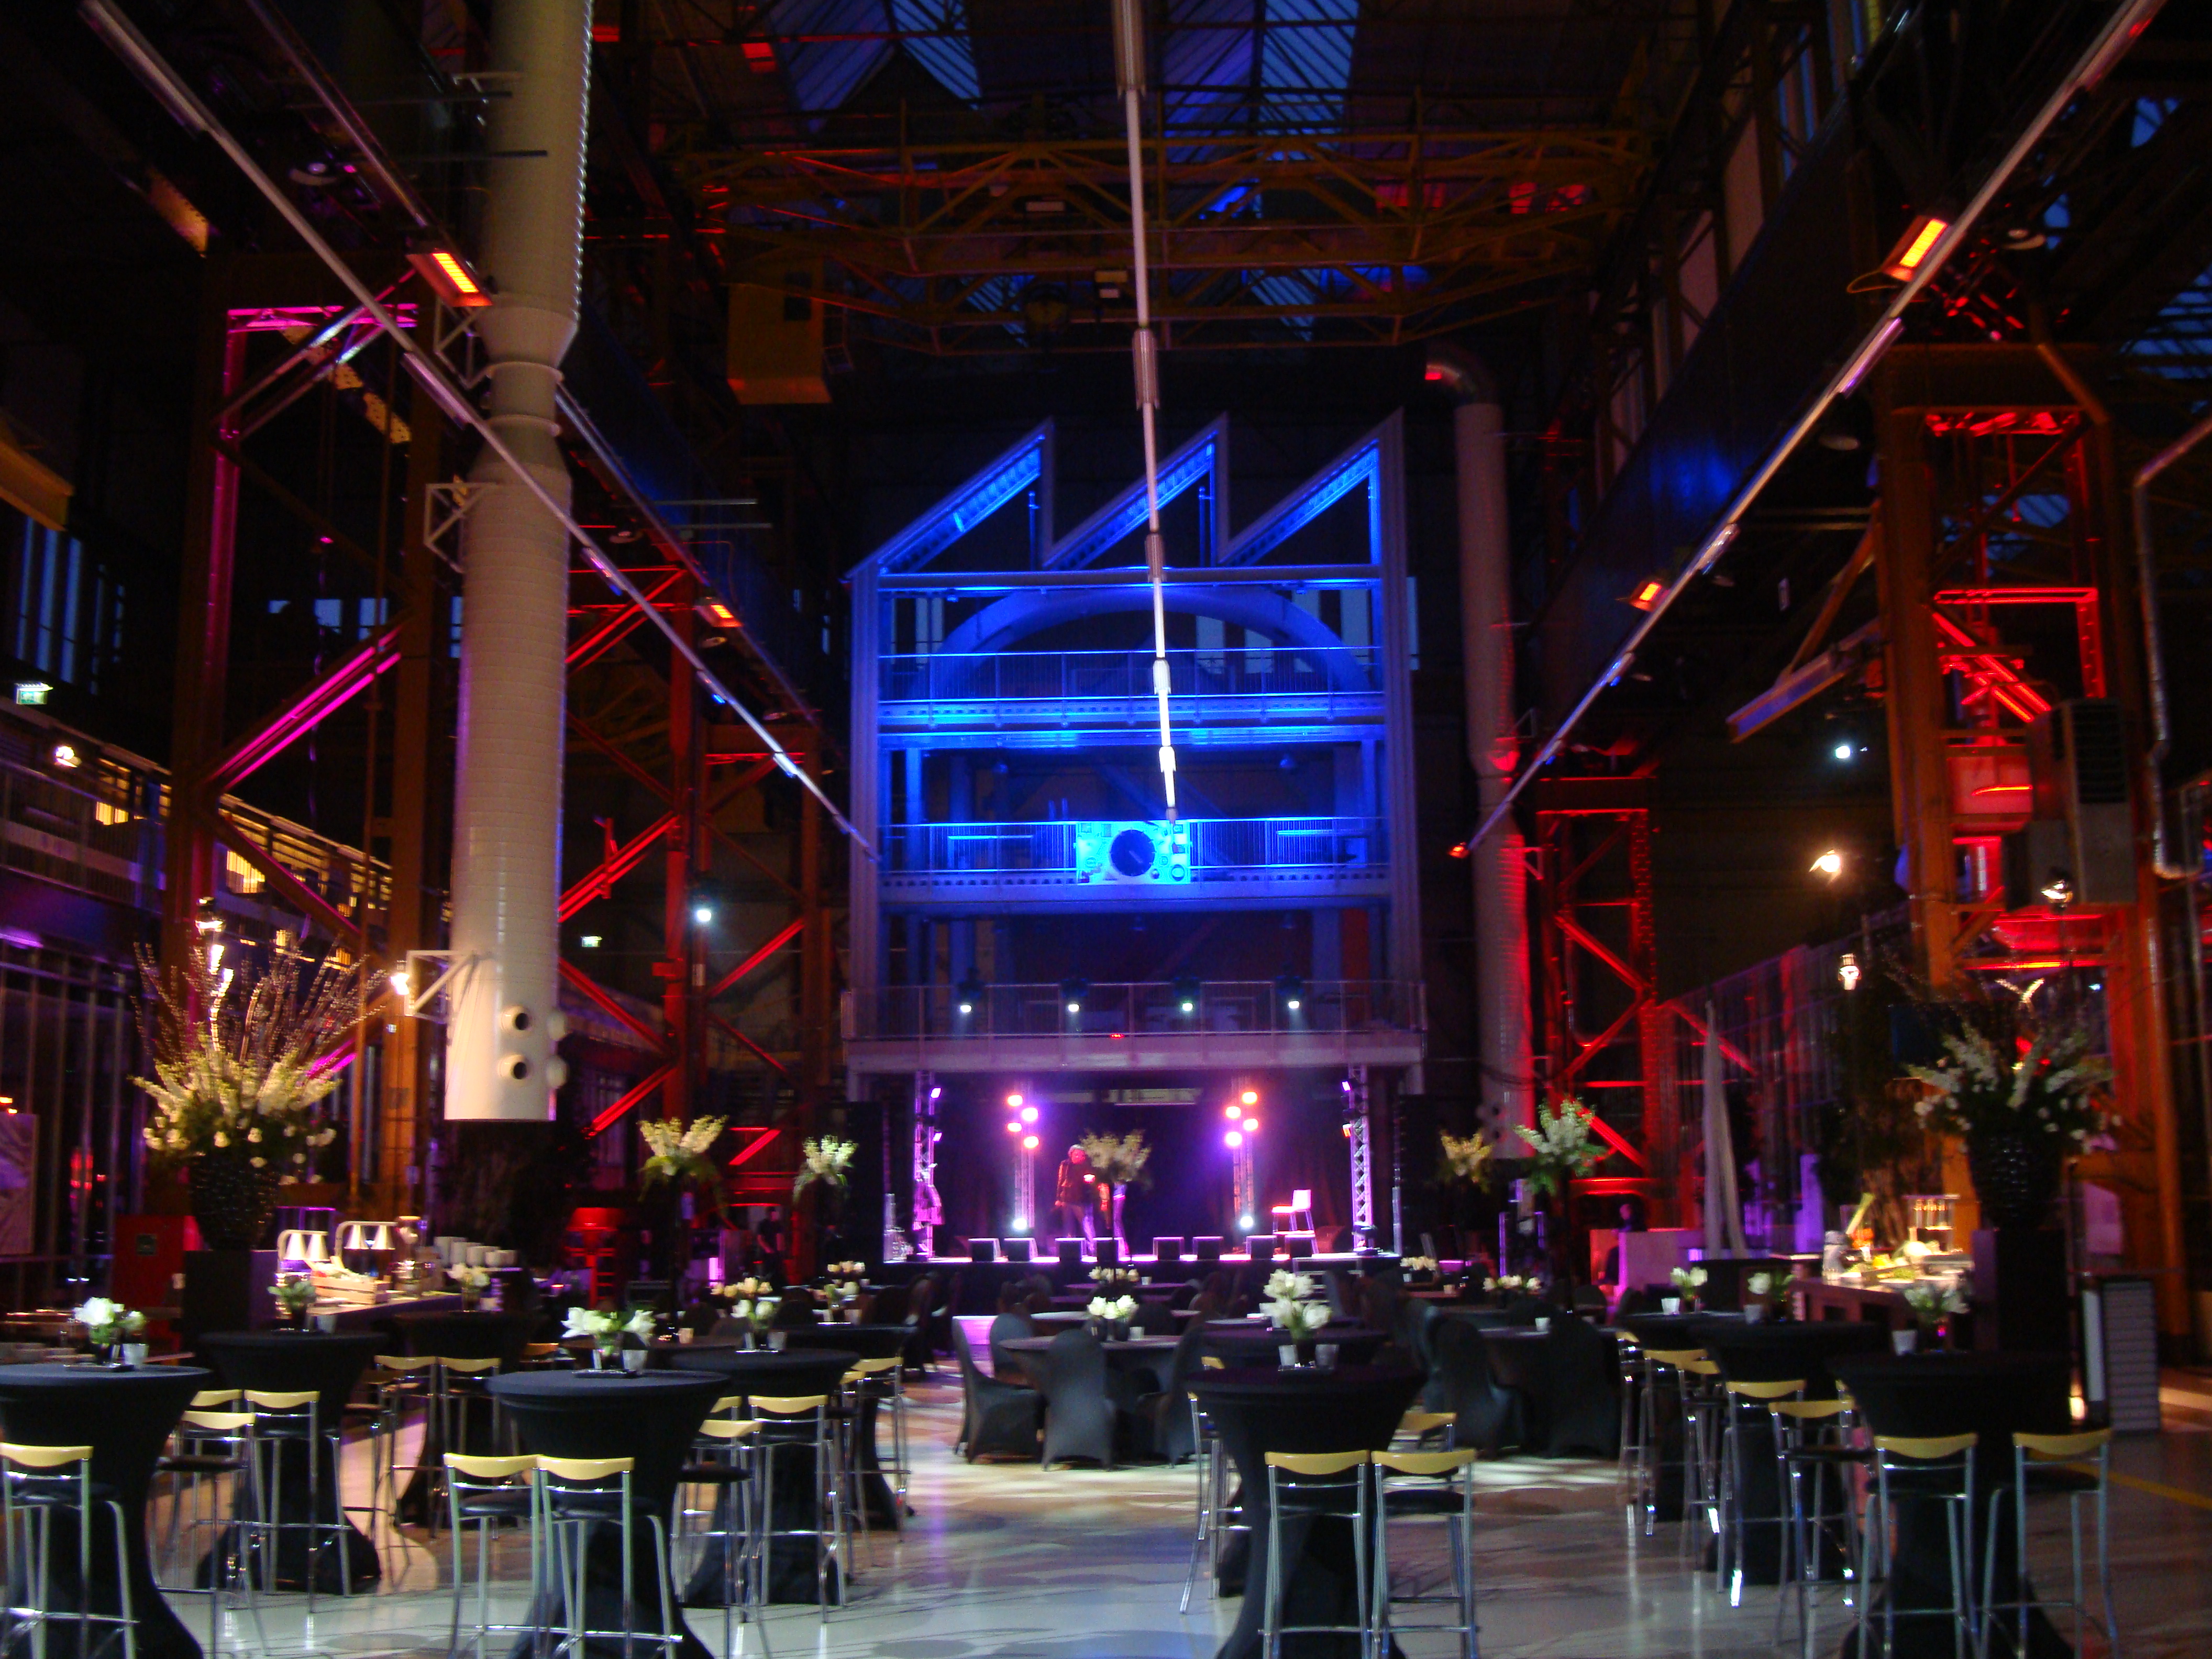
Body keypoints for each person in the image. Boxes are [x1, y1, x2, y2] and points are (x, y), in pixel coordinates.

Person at [1054, 1145, 1101, 1253]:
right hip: (1067, 1199)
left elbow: (1096, 1179)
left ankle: (1093, 1250)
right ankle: (1070, 1251)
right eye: (1076, 1155)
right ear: (1071, 1155)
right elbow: (1061, 1181)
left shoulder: (1088, 1165)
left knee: (1086, 1225)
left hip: (1082, 1200)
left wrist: (1093, 1179)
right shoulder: (1065, 1165)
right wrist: (1058, 1198)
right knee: (1068, 1227)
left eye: (1081, 1155)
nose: (1079, 1157)